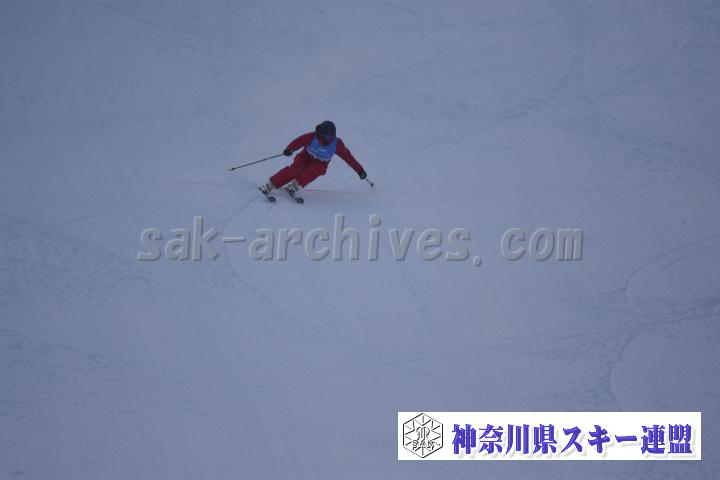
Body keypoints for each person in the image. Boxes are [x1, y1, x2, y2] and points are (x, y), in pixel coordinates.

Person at [259, 121, 367, 196]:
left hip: (321, 163)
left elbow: (348, 157)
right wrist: (290, 149)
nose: (327, 138)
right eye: (325, 135)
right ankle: (271, 184)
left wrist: (360, 170)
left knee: (316, 170)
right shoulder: (313, 136)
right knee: (296, 169)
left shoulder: (337, 144)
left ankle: (295, 185)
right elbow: (299, 141)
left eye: (329, 136)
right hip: (306, 156)